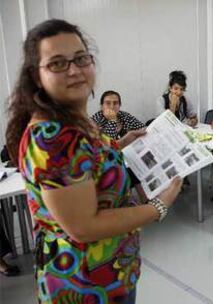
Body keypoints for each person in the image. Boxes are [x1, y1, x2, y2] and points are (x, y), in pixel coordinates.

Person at [5, 19, 182, 303]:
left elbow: (88, 157)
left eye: (81, 58)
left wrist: (121, 142)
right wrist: (157, 206)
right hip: (84, 285)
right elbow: (84, 226)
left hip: (112, 270)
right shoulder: (50, 136)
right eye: (57, 63)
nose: (74, 70)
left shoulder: (73, 118)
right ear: (36, 76)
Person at [92, 91, 147, 203]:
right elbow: (109, 144)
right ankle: (141, 198)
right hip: (105, 160)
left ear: (119, 105)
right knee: (126, 163)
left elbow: (143, 129)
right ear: (101, 106)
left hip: (128, 156)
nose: (112, 106)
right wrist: (112, 121)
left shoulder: (124, 116)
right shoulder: (96, 120)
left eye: (115, 103)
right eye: (108, 103)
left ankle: (141, 199)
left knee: (130, 161)